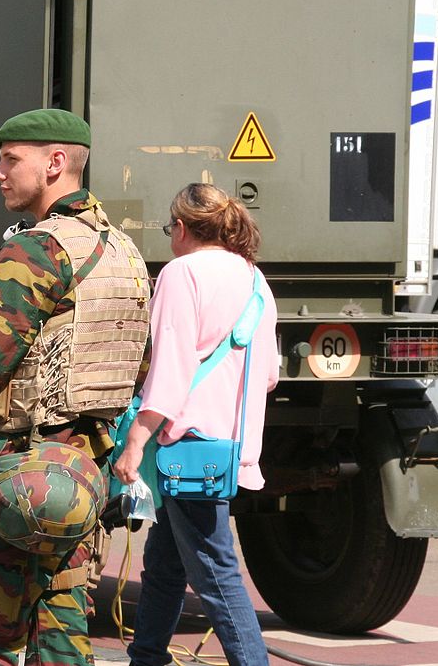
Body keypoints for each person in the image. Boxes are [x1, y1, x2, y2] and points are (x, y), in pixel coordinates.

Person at [0, 108, 151, 666]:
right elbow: (137, 364)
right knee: (60, 637)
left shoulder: (38, 248)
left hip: (12, 466)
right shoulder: (123, 253)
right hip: (81, 473)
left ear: (55, 164)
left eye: (11, 160)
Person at [112, 182, 280, 666]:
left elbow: (169, 373)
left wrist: (135, 442)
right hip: (226, 448)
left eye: (170, 229)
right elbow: (268, 375)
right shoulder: (254, 279)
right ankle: (146, 656)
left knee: (214, 570)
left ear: (182, 228)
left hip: (186, 443)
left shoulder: (181, 273)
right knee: (165, 560)